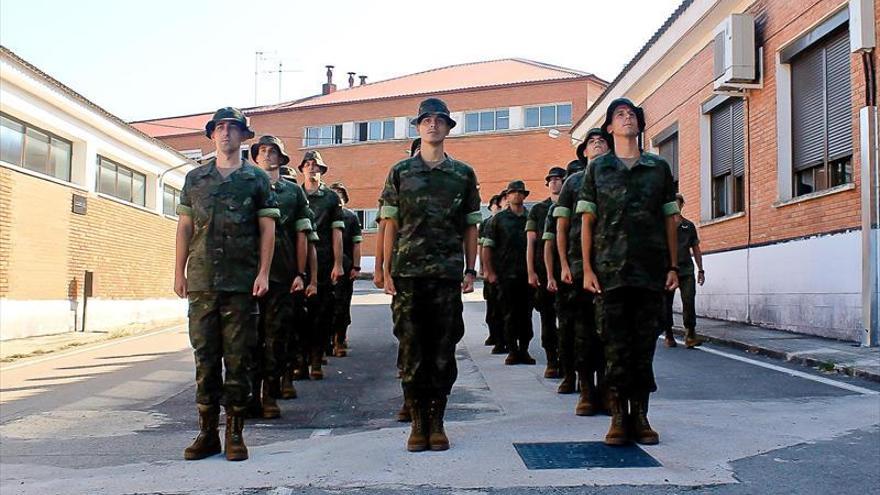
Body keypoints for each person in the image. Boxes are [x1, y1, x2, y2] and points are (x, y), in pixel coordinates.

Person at [175, 107, 279, 461]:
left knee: (238, 358)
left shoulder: (256, 180)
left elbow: (268, 228)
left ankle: (235, 432)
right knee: (205, 357)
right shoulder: (195, 179)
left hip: (241, 282)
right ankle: (207, 433)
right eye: (219, 128)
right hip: (203, 280)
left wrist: (264, 272)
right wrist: (179, 271)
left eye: (233, 128)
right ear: (212, 135)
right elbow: (185, 227)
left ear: (243, 136)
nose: (225, 134)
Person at [577, 98, 680, 446]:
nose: (627, 118)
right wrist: (587, 267)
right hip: (610, 271)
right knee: (615, 346)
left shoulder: (658, 167)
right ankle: (619, 415)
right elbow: (587, 221)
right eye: (620, 115)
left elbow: (670, 218)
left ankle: (641, 414)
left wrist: (672, 265)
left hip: (650, 271)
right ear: (609, 127)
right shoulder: (598, 169)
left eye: (632, 114)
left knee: (644, 346)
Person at [381, 97, 481, 452]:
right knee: (411, 349)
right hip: (408, 274)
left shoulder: (463, 174)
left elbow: (471, 226)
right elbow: (389, 223)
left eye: (440, 120)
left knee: (442, 350)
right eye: (427, 120)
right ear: (418, 126)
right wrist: (385, 268)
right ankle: (418, 421)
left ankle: (437, 421)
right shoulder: (400, 172)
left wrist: (471, 269)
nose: (433, 125)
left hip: (445, 275)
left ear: (448, 127)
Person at [247, 135, 311, 418]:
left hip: (281, 273)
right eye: (263, 151)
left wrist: (300, 272)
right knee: (248, 339)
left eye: (273, 152)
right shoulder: (244, 185)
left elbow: (301, 235)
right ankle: (249, 394)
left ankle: (269, 394)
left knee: (276, 337)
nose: (268, 155)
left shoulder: (293, 192)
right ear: (255, 157)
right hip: (246, 272)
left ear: (282, 158)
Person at [554, 132, 611, 417]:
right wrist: (563, 264)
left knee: (611, 333)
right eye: (591, 142)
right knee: (583, 331)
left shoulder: (617, 175)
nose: (597, 143)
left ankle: (607, 390)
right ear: (583, 152)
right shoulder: (573, 183)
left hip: (613, 266)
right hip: (579, 266)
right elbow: (561, 227)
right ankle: (587, 389)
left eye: (602, 140)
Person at [298, 150, 345, 379]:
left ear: (322, 170)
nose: (311, 168)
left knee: (321, 313)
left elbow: (337, 232)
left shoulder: (331, 198)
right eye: (307, 164)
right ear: (302, 169)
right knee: (298, 315)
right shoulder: (295, 194)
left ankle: (316, 360)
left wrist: (338, 263)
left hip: (324, 260)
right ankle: (300, 360)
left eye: (315, 165)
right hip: (297, 261)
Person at [483, 180, 536, 366]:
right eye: (512, 192)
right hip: (505, 275)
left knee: (526, 314)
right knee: (509, 314)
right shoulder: (498, 219)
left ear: (524, 195)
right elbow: (487, 246)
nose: (516, 195)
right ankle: (512, 349)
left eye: (520, 192)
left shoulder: (531, 218)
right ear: (508, 196)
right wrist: (489, 271)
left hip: (527, 275)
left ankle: (524, 349)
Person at [527, 167, 565, 378]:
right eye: (551, 180)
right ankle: (552, 360)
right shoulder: (539, 210)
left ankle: (568, 363)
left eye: (558, 179)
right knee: (548, 318)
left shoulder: (573, 205)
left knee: (569, 321)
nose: (554, 183)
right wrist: (531, 271)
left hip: (569, 269)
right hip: (544, 270)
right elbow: (531, 243)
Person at [662, 193, 705, 348]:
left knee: (689, 300)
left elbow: (696, 248)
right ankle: (669, 334)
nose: (676, 206)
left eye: (678, 204)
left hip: (686, 269)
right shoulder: (662, 226)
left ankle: (690, 334)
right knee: (666, 304)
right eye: (673, 203)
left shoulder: (688, 226)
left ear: (682, 205)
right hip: (667, 271)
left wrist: (701, 270)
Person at [329, 182, 363, 357]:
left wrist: (356, 266)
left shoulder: (350, 217)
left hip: (345, 266)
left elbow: (356, 244)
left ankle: (339, 339)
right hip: (325, 267)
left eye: (340, 194)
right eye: (333, 194)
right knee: (325, 306)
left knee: (342, 304)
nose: (337, 198)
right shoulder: (323, 214)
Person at [479, 192, 507, 354]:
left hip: (508, 270)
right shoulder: (487, 224)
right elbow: (483, 247)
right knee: (493, 307)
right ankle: (495, 335)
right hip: (493, 270)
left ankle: (506, 339)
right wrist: (484, 268)